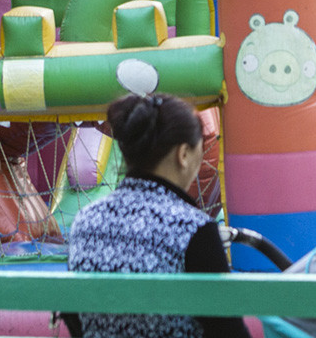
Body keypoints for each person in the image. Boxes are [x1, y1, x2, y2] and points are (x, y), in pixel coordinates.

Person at [66, 93, 250, 338]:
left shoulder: (85, 221)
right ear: (183, 154)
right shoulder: (194, 229)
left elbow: (76, 317)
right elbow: (228, 331)